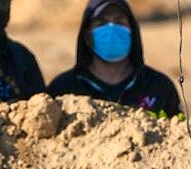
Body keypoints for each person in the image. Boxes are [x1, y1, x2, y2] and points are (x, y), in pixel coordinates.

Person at [47, 0, 182, 117]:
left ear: (132, 31)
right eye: (101, 22)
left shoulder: (158, 86)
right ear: (87, 37)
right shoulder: (63, 88)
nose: (111, 28)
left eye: (119, 21)